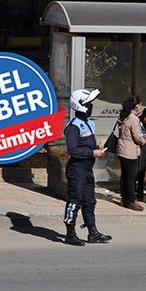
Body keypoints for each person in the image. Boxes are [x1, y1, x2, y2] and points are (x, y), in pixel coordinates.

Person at [63, 88, 111, 246]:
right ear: (80, 106)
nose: (91, 107)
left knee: (90, 201)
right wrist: (92, 153)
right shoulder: (73, 126)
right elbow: (73, 150)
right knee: (74, 201)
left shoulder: (89, 124)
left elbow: (88, 145)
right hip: (77, 169)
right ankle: (70, 233)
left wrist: (98, 150)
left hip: (87, 169)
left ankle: (93, 232)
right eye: (89, 104)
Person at [117, 94, 146, 212]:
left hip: (121, 149)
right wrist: (144, 140)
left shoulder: (123, 115)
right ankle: (132, 200)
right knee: (131, 177)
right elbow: (137, 137)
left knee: (124, 175)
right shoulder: (134, 119)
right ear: (137, 106)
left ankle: (124, 198)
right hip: (130, 150)